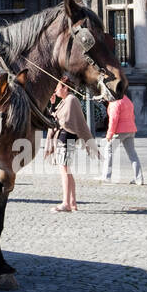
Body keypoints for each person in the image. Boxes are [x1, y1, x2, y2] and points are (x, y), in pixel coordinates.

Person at [44, 80, 96, 212]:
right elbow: (54, 118)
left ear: (65, 88)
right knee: (66, 170)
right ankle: (72, 202)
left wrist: (56, 118)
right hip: (64, 138)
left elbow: (66, 120)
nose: (55, 90)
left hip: (66, 138)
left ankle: (66, 203)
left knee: (64, 171)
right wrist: (52, 104)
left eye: (57, 87)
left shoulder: (71, 100)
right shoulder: (64, 101)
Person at [102, 93, 144, 185]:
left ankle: (107, 177)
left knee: (108, 150)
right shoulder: (127, 99)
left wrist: (109, 133)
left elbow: (113, 119)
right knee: (133, 155)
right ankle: (139, 179)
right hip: (131, 129)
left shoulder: (115, 102)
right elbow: (132, 115)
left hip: (120, 131)